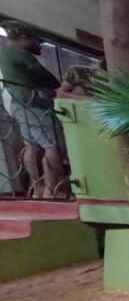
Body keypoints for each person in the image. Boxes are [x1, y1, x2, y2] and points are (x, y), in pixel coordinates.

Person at [0, 21, 64, 198]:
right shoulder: (21, 55)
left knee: (31, 146)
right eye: (36, 40)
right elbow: (48, 79)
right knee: (53, 146)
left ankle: (37, 188)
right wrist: (55, 88)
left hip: (16, 104)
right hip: (33, 102)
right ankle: (51, 191)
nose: (39, 45)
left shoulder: (4, 54)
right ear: (23, 37)